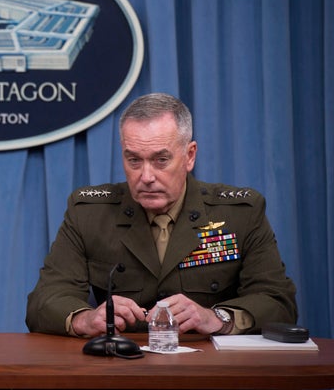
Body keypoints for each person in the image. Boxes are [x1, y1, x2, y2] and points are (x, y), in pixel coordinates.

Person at [26, 93, 297, 338]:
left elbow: (278, 302)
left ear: (189, 156)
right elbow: (44, 301)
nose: (146, 177)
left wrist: (217, 318)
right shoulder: (89, 213)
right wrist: (85, 319)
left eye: (160, 160)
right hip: (121, 367)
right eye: (134, 160)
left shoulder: (239, 214)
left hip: (208, 369)